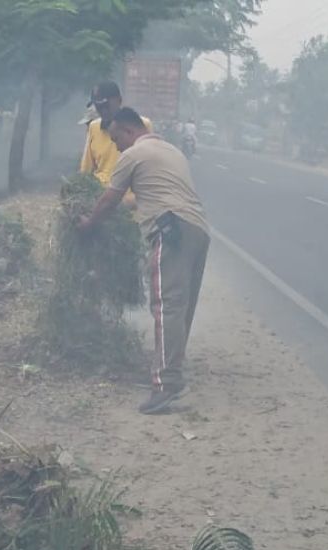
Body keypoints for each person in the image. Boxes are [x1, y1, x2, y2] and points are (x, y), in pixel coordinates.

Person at [78, 107, 211, 415]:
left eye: (115, 139)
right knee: (180, 307)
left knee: (166, 305)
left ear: (127, 131)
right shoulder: (171, 151)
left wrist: (89, 224)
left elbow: (111, 198)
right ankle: (168, 371)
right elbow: (147, 195)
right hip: (198, 229)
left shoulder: (133, 155)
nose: (116, 147)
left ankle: (165, 384)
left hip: (171, 229)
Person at [79, 81, 151, 188]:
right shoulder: (94, 127)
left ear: (119, 101)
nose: (103, 111)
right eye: (99, 107)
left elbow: (148, 164)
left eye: (106, 106)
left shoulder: (141, 124)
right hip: (101, 192)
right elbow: (86, 169)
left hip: (129, 193)